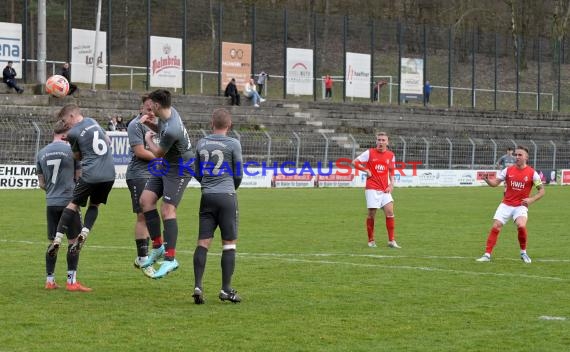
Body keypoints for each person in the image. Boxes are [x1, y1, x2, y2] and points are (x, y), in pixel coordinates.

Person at [48, 104, 116, 278]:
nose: (64, 124)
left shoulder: (72, 134)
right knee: (95, 204)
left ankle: (57, 238)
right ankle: (85, 232)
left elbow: (77, 157)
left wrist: (75, 148)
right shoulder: (93, 121)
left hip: (91, 173)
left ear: (71, 116)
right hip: (109, 173)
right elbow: (108, 142)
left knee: (73, 203)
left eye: (64, 120)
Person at [138, 89, 193, 279]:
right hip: (167, 165)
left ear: (158, 105)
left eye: (151, 104)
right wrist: (151, 126)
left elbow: (157, 153)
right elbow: (161, 130)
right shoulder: (166, 114)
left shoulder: (172, 129)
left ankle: (170, 259)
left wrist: (147, 139)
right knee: (145, 200)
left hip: (180, 169)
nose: (149, 107)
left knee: (167, 210)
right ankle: (158, 247)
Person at [192, 108, 243, 304]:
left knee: (203, 242)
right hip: (227, 196)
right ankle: (225, 289)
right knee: (229, 244)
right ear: (229, 125)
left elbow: (197, 172)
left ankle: (198, 285)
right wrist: (232, 187)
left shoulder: (202, 142)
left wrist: (206, 183)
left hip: (207, 196)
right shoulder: (233, 143)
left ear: (211, 124)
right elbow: (238, 173)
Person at [37, 121, 89, 291]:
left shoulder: (41, 153)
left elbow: (42, 183)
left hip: (51, 202)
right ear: (66, 133)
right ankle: (71, 281)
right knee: (74, 241)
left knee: (54, 241)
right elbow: (79, 178)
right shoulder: (71, 151)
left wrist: (53, 191)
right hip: (69, 203)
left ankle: (49, 280)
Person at [476, 146, 545, 264]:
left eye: (519, 155)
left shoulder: (532, 173)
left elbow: (542, 191)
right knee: (496, 226)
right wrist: (487, 180)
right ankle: (487, 255)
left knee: (521, 226)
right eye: (515, 155)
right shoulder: (507, 170)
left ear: (526, 157)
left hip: (521, 206)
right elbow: (495, 184)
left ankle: (523, 252)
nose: (516, 157)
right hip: (506, 204)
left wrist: (531, 199)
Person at [352, 132, 401, 249]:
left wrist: (392, 184)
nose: (381, 142)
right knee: (372, 214)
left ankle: (391, 241)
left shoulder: (390, 155)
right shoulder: (369, 153)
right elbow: (354, 162)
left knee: (390, 212)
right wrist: (366, 170)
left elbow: (391, 171)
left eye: (383, 140)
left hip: (385, 189)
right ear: (376, 141)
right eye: (379, 140)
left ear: (387, 142)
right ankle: (371, 240)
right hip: (372, 188)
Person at [127, 95, 157, 278]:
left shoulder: (160, 125)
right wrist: (162, 158)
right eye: (148, 109)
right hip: (139, 174)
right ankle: (144, 258)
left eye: (154, 109)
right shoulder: (135, 125)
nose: (151, 112)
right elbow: (139, 152)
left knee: (149, 215)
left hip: (155, 174)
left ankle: (143, 257)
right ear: (141, 108)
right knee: (143, 215)